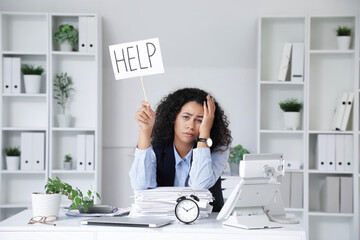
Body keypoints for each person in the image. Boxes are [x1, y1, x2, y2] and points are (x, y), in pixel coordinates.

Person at [129, 88, 232, 212]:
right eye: (186, 117)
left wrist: (204, 134)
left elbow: (199, 186)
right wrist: (145, 132)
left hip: (208, 223)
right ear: (174, 118)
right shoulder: (155, 147)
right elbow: (140, 186)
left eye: (200, 120)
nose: (190, 126)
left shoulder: (218, 150)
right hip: (163, 221)